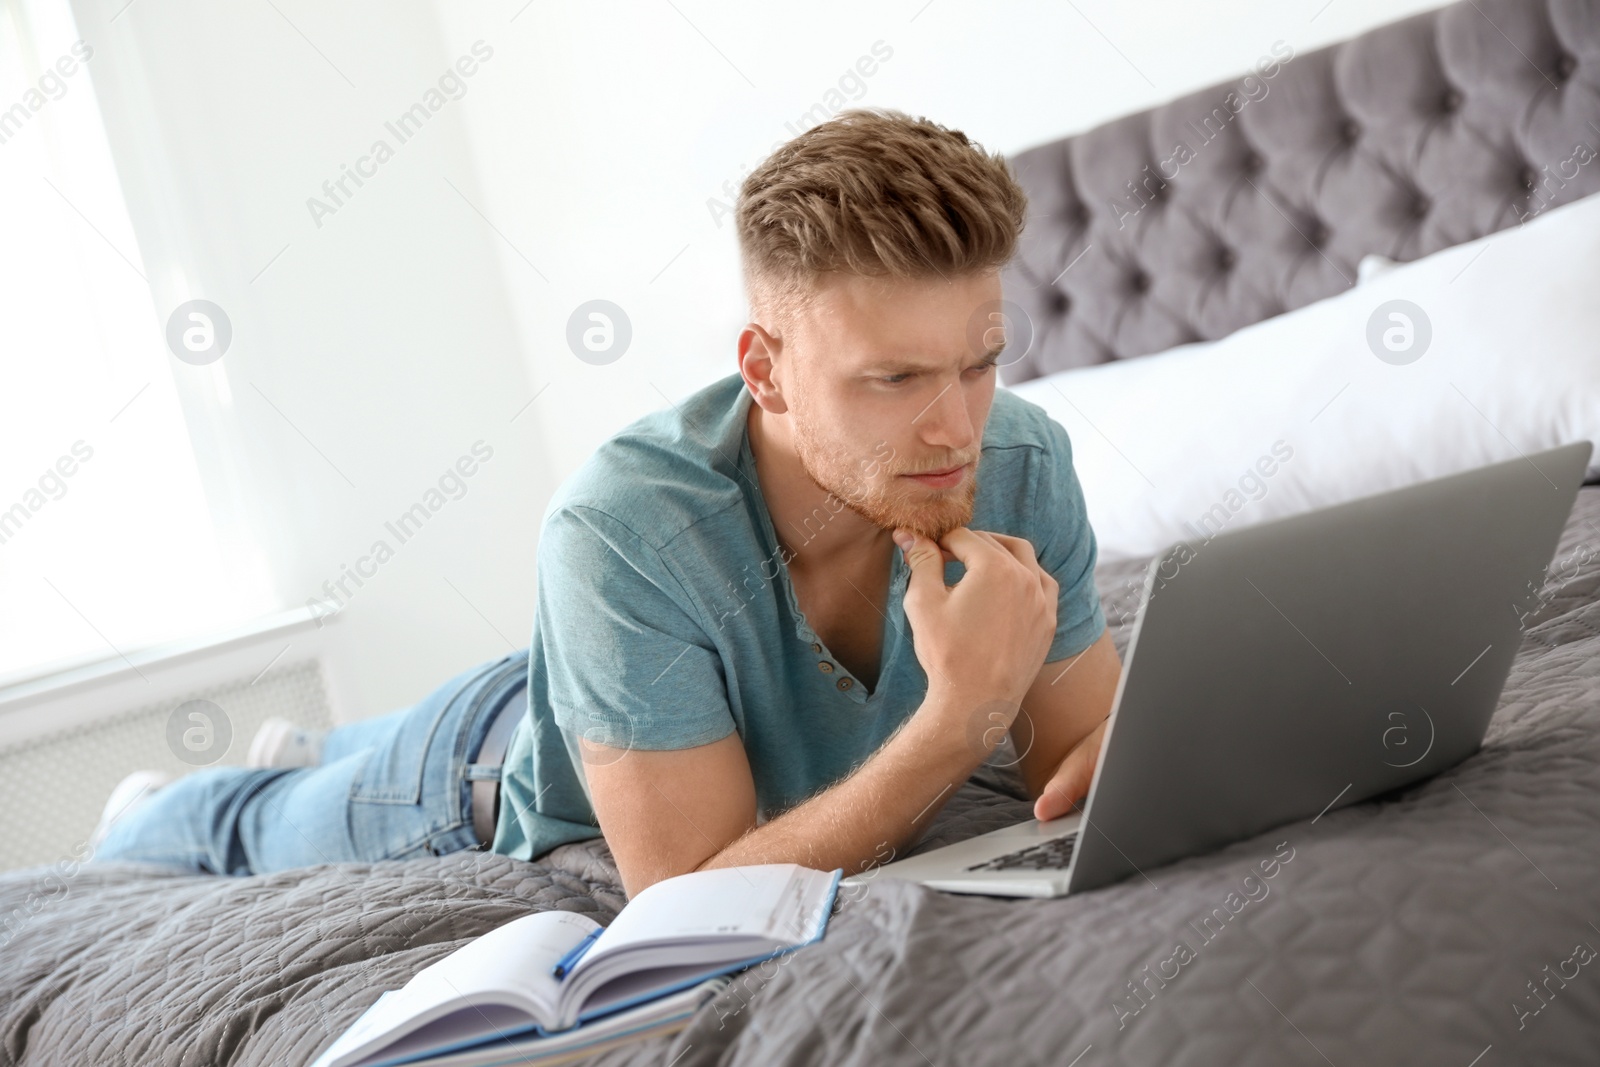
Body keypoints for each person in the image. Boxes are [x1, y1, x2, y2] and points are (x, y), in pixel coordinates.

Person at [93, 107, 1123, 897]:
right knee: (249, 825)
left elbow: (1089, 755)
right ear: (763, 371)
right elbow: (685, 900)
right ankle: (174, 797)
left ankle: (319, 742)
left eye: (980, 361)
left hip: (621, 680)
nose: (957, 427)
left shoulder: (1021, 459)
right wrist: (959, 721)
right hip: (484, 767)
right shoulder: (619, 530)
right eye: (893, 380)